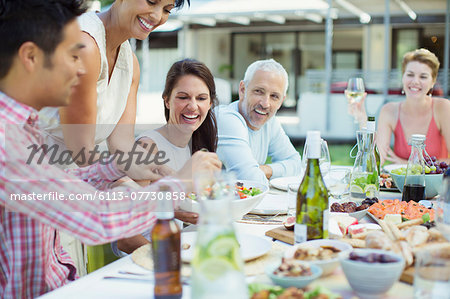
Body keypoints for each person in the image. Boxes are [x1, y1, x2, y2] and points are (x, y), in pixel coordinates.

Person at [0, 1, 221, 297]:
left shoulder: (24, 129)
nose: (83, 70)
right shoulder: (8, 143)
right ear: (31, 56)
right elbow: (96, 215)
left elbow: (73, 180)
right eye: (71, 55)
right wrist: (177, 184)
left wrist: (121, 166)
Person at [39, 0, 190, 173]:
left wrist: (164, 171)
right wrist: (127, 182)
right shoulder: (84, 45)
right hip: (30, 173)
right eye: (151, 2)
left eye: (166, 10)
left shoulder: (130, 63)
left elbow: (122, 146)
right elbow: (81, 152)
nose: (157, 16)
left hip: (75, 174)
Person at [114, 58, 218, 255]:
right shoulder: (148, 147)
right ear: (167, 100)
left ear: (210, 103)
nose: (193, 106)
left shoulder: (196, 147)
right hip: (146, 259)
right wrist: (170, 256)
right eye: (183, 97)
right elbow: (126, 239)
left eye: (201, 98)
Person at [350, 49, 450, 164]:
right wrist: (362, 119)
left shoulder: (443, 108)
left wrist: (408, 164)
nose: (415, 81)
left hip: (437, 181)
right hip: (401, 182)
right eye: (410, 75)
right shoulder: (389, 110)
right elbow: (376, 161)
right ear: (403, 77)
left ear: (433, 81)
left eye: (423, 77)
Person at [215, 59, 302, 184]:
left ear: (281, 101)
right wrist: (257, 173)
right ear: (243, 90)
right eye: (259, 91)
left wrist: (266, 170)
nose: (265, 104)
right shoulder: (226, 119)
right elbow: (250, 179)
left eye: (274, 96)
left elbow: (295, 163)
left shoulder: (269, 122)